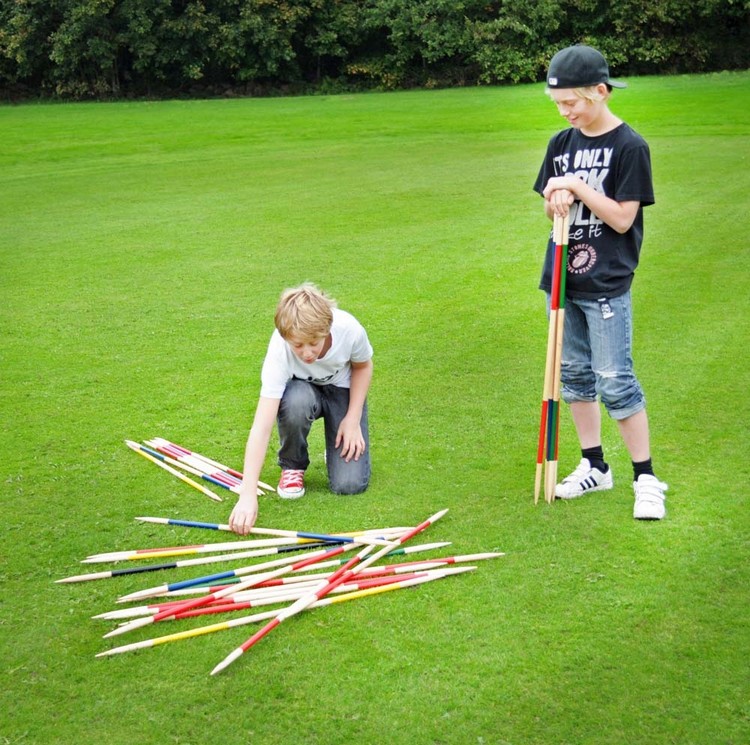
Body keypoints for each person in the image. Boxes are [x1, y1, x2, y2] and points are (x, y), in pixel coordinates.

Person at [532, 44, 668, 520]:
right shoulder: (560, 145)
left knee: (616, 380)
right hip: (564, 283)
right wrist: (557, 200)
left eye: (572, 102)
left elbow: (622, 219)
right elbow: (552, 205)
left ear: (601, 92)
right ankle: (594, 465)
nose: (565, 111)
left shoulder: (630, 146)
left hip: (607, 282)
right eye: (558, 104)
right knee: (574, 379)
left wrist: (575, 187)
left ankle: (646, 477)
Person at [229, 283, 373, 535]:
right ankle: (292, 465)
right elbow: (261, 426)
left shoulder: (349, 329)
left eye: (313, 343)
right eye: (297, 345)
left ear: (326, 329)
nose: (306, 353)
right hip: (301, 393)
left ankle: (334, 448)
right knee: (295, 400)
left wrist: (353, 418)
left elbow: (363, 366)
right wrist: (247, 493)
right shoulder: (279, 350)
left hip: (342, 391)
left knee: (349, 485)